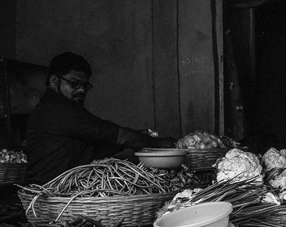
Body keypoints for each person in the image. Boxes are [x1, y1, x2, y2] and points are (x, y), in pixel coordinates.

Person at [25, 52, 176, 185]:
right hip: (50, 195)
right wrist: (159, 143)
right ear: (54, 82)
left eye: (85, 85)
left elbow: (98, 143)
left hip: (51, 189)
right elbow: (117, 136)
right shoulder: (59, 109)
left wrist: (137, 137)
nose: (81, 90)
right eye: (74, 83)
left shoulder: (51, 108)